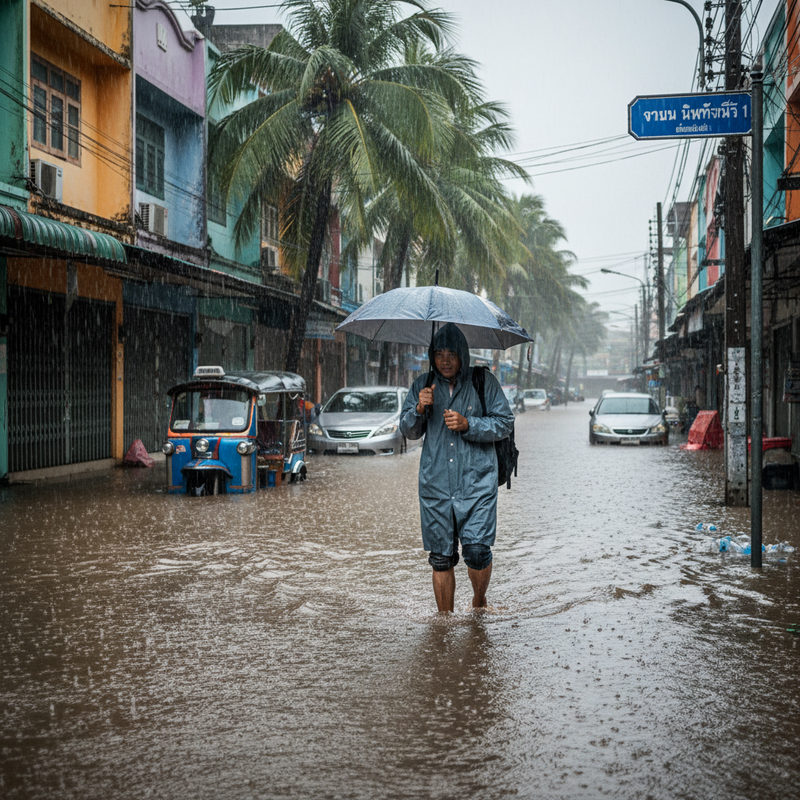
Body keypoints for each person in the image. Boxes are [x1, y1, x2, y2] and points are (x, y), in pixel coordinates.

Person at [400, 323, 514, 614]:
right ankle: (444, 624)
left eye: (452, 353)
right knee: (441, 557)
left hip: (477, 483)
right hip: (436, 485)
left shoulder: (483, 382)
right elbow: (409, 432)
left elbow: (505, 423)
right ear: (432, 355)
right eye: (439, 353)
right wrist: (418, 410)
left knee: (477, 552)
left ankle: (478, 602)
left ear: (463, 354)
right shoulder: (422, 386)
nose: (446, 360)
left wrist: (469, 424)